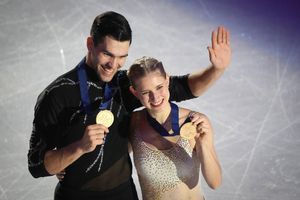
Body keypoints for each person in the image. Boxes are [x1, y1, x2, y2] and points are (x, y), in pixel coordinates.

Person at [27, 11, 231, 200]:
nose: (113, 65)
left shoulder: (123, 85)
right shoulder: (57, 94)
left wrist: (216, 70)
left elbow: (183, 87)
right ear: (90, 44)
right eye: (108, 54)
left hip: (124, 194)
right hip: (75, 196)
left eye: (122, 57)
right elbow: (36, 165)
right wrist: (77, 148)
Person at [127, 56, 222, 200]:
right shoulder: (133, 123)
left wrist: (202, 144)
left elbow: (215, 183)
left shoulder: (194, 122)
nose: (155, 97)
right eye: (146, 92)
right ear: (135, 92)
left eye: (159, 87)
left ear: (167, 80)